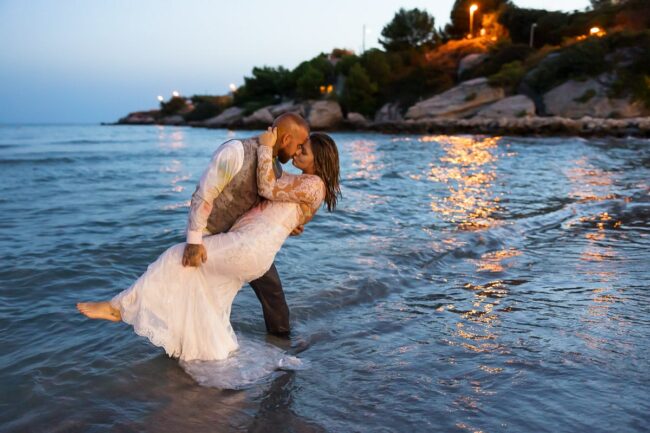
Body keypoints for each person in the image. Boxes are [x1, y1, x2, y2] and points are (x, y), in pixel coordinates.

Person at [76, 129, 341, 363]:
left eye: (303, 151)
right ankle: (209, 352)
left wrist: (263, 145)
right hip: (253, 249)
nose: (297, 153)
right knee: (209, 296)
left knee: (177, 257)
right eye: (298, 147)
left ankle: (118, 308)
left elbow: (268, 186)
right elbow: (278, 205)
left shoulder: (314, 184)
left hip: (248, 246)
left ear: (319, 159)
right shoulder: (308, 184)